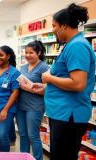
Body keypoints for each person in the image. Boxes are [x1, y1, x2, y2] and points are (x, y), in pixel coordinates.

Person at [32, 3, 95, 160]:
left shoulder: (77, 46)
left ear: (64, 26)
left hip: (69, 115)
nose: (52, 29)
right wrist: (47, 86)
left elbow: (78, 84)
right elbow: (66, 77)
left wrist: (49, 78)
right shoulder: (70, 45)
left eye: (54, 26)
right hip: (62, 113)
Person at [17, 40, 49, 160]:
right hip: (21, 106)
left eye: (31, 53)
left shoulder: (44, 68)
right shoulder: (23, 67)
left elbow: (47, 90)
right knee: (23, 134)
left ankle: (37, 158)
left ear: (39, 53)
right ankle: (23, 157)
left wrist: (27, 88)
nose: (28, 55)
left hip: (35, 107)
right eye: (26, 52)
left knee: (33, 135)